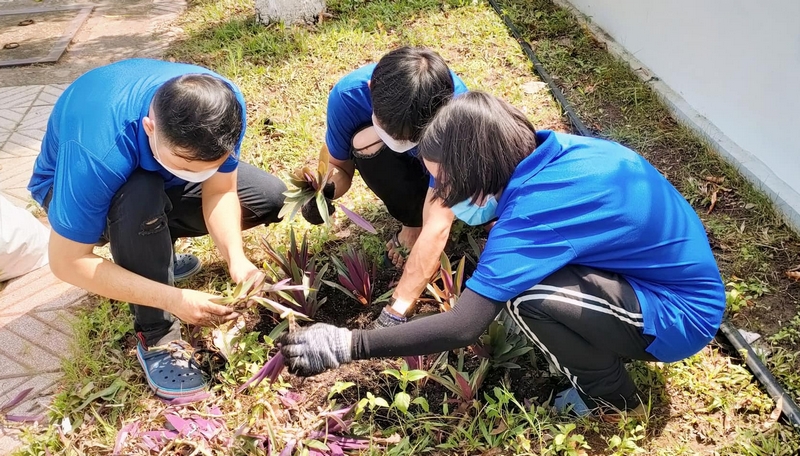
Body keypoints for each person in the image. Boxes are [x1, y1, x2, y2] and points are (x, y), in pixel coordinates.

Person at [277, 92, 726, 417]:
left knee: (526, 299)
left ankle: (612, 397)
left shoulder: (536, 212)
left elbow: (464, 325)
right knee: (525, 282)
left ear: (477, 169)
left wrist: (349, 344)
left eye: (446, 183)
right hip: (648, 278)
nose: (444, 196)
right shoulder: (555, 150)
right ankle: (604, 337)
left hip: (681, 316)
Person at [28, 59, 287, 400]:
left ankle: (155, 252)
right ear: (150, 127)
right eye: (185, 164)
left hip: (156, 175)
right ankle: (157, 336)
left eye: (207, 166)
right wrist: (172, 299)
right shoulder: (97, 153)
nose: (197, 174)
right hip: (79, 188)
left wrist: (236, 260)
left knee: (269, 198)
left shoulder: (222, 105)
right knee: (140, 194)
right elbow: (67, 262)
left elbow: (220, 190)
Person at [300, 46, 469, 328]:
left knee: (440, 217)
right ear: (371, 89)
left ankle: (416, 228)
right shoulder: (348, 97)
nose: (399, 142)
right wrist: (324, 192)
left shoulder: (456, 112)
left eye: (409, 138)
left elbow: (438, 222)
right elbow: (340, 166)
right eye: (389, 130)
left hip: (448, 168)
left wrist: (397, 308)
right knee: (363, 141)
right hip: (400, 162)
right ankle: (411, 220)